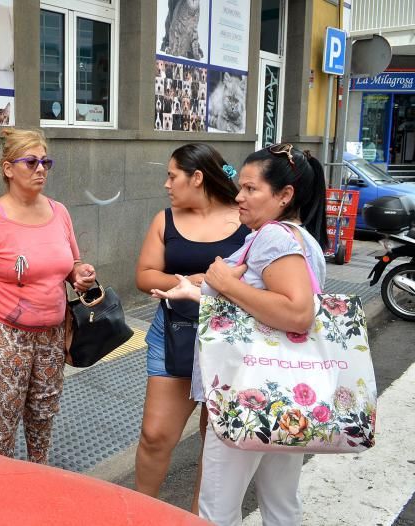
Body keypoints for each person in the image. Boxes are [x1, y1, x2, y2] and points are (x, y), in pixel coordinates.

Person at [152, 143, 328, 525]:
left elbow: (298, 313)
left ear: (284, 196)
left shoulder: (273, 239)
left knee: (216, 508)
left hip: (246, 393)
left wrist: (224, 285)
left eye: (251, 189)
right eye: (240, 187)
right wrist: (197, 290)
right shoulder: (302, 239)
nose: (239, 196)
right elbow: (263, 299)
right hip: (286, 392)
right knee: (281, 504)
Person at [0, 128, 96, 463]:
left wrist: (81, 274)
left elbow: (71, 263)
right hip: (3, 335)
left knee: (43, 415)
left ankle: (37, 480)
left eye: (46, 161)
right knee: (2, 419)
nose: (41, 169)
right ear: (8, 169)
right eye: (31, 161)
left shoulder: (59, 212)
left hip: (51, 334)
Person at [134, 143, 250, 509]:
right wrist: (194, 279)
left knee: (213, 439)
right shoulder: (164, 219)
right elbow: (144, 275)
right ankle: (140, 513)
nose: (167, 184)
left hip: (230, 340)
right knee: (155, 435)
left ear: (197, 178)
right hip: (174, 333)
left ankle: (200, 516)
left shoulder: (245, 220)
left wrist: (217, 285)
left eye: (172, 176)